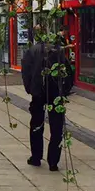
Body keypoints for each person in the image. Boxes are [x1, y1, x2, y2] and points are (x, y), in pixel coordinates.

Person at [20, 36, 74, 171]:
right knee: (56, 127)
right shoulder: (58, 51)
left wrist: (30, 88)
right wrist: (65, 91)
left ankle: (36, 157)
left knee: (36, 125)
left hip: (37, 92)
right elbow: (68, 73)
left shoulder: (31, 50)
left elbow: (26, 71)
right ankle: (53, 161)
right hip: (55, 92)